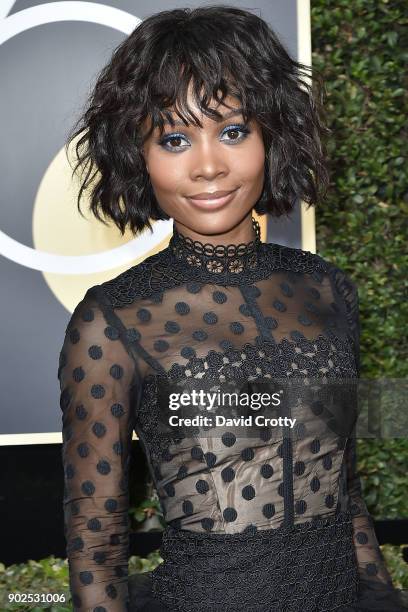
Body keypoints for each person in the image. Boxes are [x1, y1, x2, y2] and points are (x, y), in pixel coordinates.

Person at [57, 6, 408, 611]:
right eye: (174, 139)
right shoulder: (110, 322)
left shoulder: (328, 291)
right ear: (138, 156)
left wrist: (379, 591)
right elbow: (96, 538)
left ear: (271, 134)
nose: (208, 165)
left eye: (232, 130)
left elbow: (344, 487)